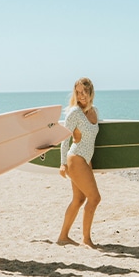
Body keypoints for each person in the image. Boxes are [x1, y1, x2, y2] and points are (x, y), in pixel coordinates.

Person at [57, 77, 102, 248]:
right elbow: (64, 139)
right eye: (78, 92)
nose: (81, 95)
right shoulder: (74, 112)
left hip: (86, 159)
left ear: (91, 92)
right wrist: (62, 164)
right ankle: (86, 239)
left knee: (78, 199)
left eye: (84, 91)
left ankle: (63, 236)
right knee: (95, 198)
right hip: (75, 158)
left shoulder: (94, 111)